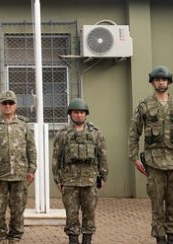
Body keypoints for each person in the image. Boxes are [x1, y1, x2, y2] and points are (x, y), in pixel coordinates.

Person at [128, 66, 173, 244]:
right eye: (157, 79)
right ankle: (160, 238)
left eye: (164, 79)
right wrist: (134, 157)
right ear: (152, 82)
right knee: (157, 204)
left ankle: (172, 237)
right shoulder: (144, 106)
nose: (161, 82)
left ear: (169, 82)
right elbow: (134, 133)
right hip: (154, 162)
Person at [0, 90, 37, 244]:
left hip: (19, 174)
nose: (7, 106)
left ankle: (15, 237)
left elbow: (31, 149)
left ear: (15, 105)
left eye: (10, 103)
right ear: (0, 105)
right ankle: (0, 237)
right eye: (4, 103)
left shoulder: (23, 125)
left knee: (18, 209)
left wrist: (32, 169)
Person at [52, 98, 108, 244]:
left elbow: (102, 155)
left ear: (86, 114)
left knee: (89, 214)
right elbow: (56, 158)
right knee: (71, 215)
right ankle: (73, 241)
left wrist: (103, 177)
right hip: (69, 182)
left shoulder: (95, 133)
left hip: (89, 181)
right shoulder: (63, 134)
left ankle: (87, 241)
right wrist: (57, 179)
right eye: (76, 112)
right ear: (70, 114)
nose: (79, 115)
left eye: (82, 112)